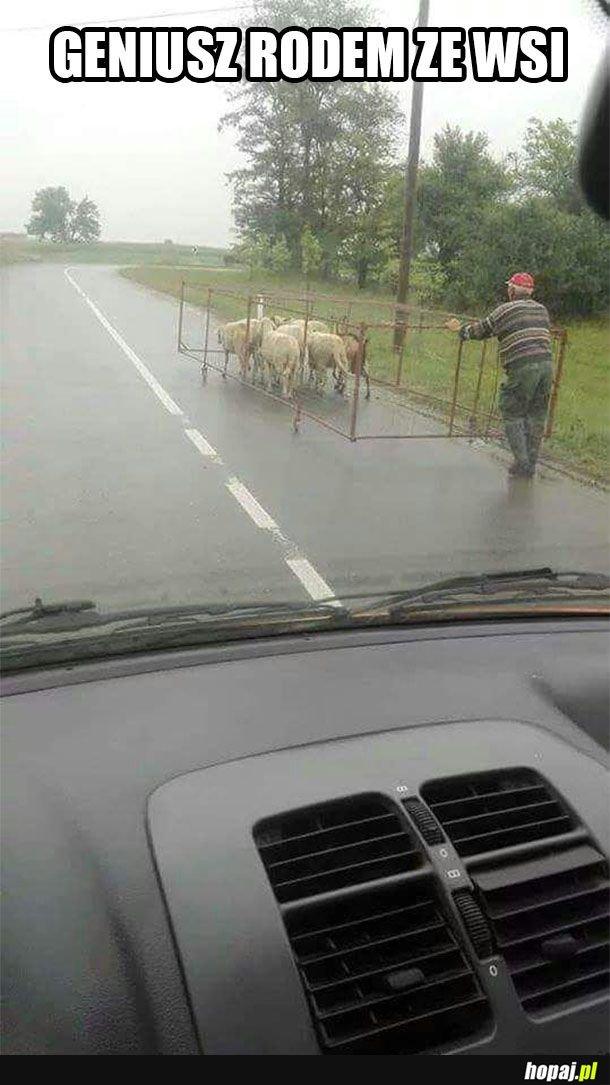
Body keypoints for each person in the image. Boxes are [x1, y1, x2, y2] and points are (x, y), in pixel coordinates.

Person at [446, 273, 554, 478]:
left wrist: (461, 331)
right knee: (536, 415)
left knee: (512, 411)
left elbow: (481, 330)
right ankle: (530, 464)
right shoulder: (542, 310)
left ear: (512, 291)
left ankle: (521, 462)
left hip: (523, 368)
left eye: (509, 288)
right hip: (546, 366)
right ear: (531, 292)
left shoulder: (504, 310)